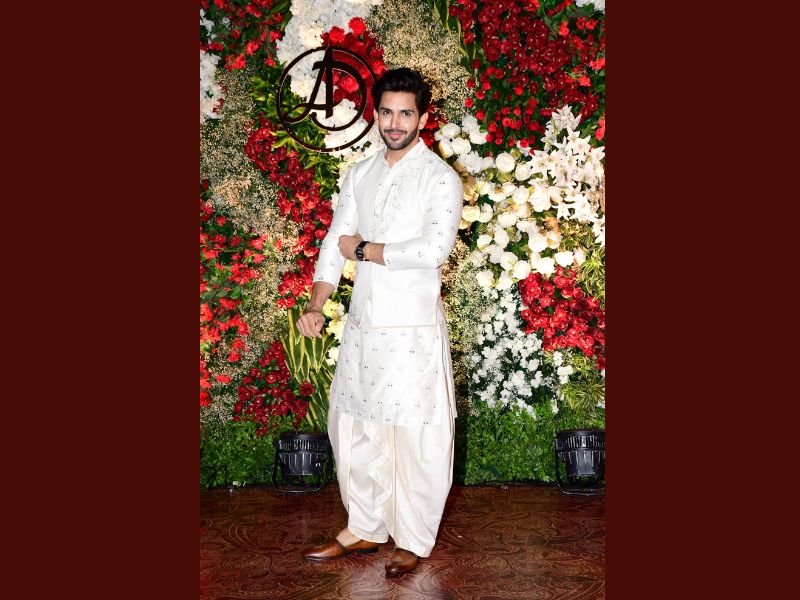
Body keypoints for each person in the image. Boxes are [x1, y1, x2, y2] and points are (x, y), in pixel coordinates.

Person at [296, 68, 464, 578]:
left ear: (423, 118)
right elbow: (336, 240)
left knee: (413, 436)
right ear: (376, 114)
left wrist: (366, 250)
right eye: (387, 112)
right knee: (355, 426)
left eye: (405, 113)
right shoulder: (360, 173)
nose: (394, 123)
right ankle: (365, 526)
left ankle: (411, 537)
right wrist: (317, 302)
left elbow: (434, 250)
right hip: (364, 323)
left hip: (413, 328)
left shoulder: (440, 178)